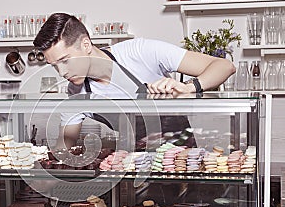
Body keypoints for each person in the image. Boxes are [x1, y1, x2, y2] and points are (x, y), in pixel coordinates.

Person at [33, 12, 236, 150]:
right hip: (136, 166)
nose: (61, 72)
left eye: (65, 61)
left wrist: (190, 87)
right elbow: (65, 144)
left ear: (85, 44)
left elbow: (225, 66)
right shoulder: (76, 92)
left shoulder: (139, 52)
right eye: (54, 66)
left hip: (181, 158)